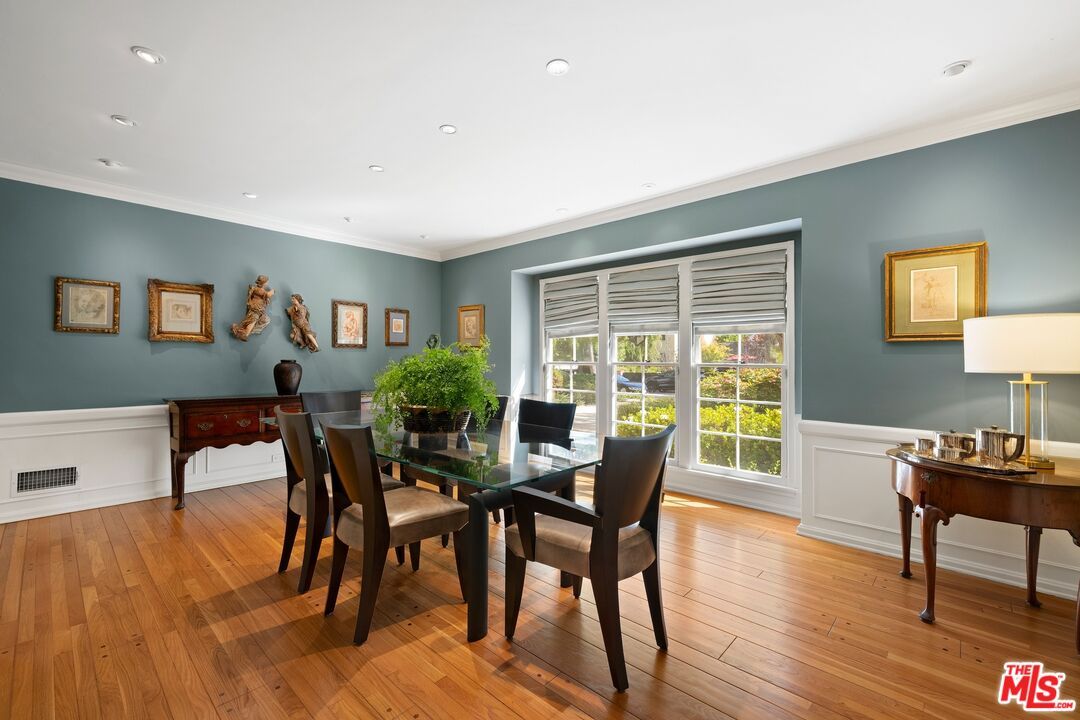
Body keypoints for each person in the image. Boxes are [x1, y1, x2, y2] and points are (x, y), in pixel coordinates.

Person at [230, 275, 274, 340]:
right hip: (256, 307)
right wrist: (273, 291)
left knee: (252, 320)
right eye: (266, 282)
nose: (267, 283)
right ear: (264, 283)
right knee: (252, 320)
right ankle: (244, 333)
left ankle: (242, 331)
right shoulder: (258, 289)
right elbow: (267, 295)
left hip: (257, 307)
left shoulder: (257, 289)